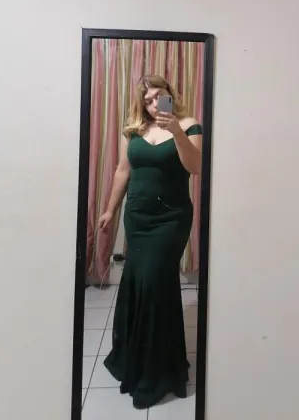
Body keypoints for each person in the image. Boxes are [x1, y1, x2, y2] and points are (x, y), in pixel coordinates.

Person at [98, 74, 202, 409]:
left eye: (159, 96)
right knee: (137, 283)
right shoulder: (134, 131)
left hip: (171, 219)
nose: (155, 104)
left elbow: (195, 166)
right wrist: (110, 210)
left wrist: (176, 133)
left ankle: (158, 373)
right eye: (148, 100)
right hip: (138, 218)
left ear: (170, 94)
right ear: (141, 104)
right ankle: (132, 358)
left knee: (156, 284)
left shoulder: (189, 125)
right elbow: (122, 171)